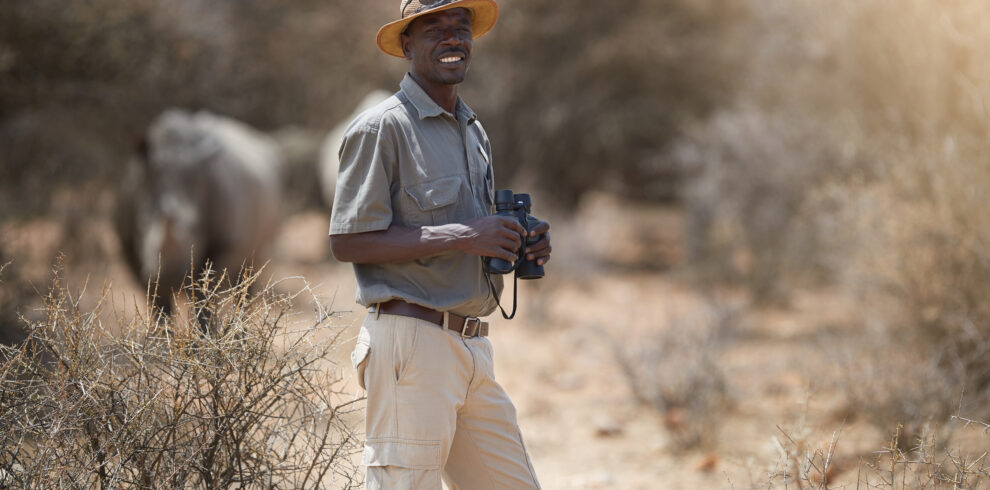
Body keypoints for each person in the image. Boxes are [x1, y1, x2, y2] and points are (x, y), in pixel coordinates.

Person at [329, 0, 550, 488]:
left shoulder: (474, 131)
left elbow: (472, 233)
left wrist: (519, 240)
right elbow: (347, 241)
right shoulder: (381, 127)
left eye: (461, 28)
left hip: (473, 347)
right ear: (407, 44)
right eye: (435, 29)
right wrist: (469, 236)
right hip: (413, 344)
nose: (453, 39)